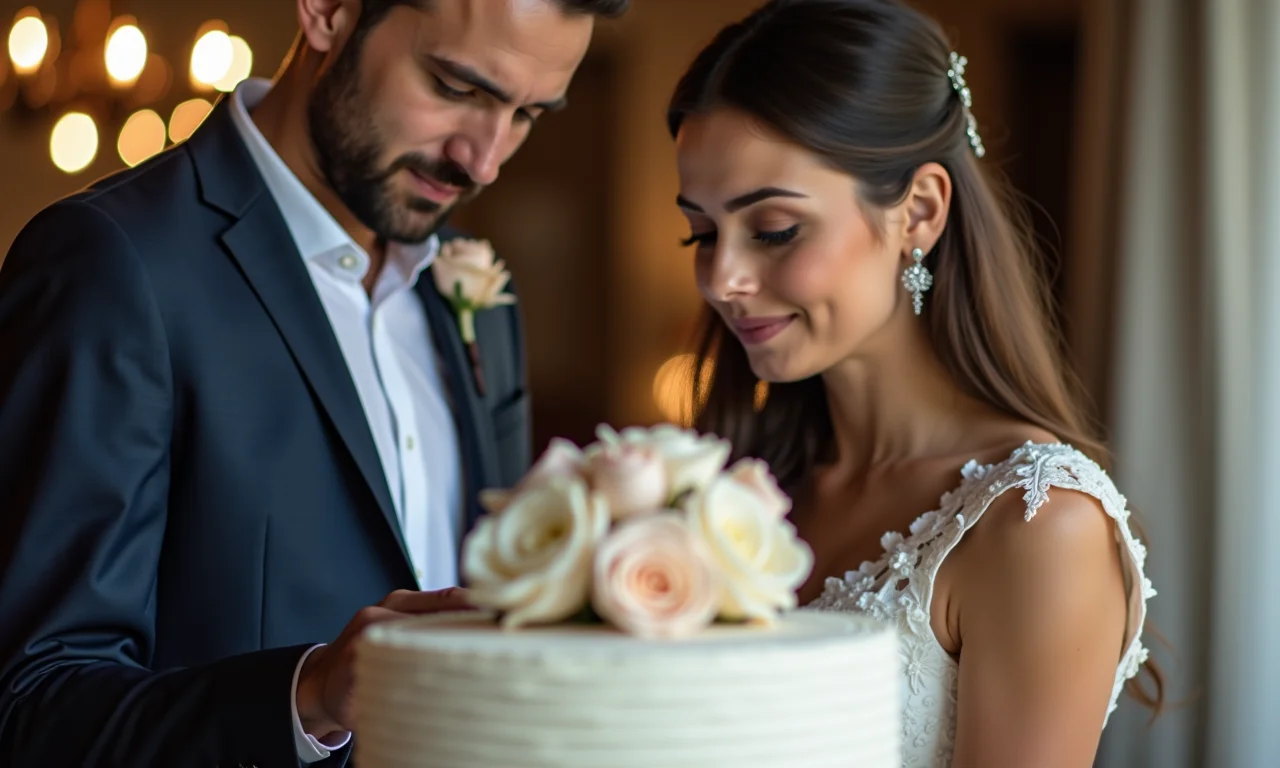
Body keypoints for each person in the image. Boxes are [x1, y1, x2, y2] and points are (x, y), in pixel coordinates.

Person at [0, 0, 627, 765]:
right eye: (457, 88)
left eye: (528, 114)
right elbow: (34, 704)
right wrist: (307, 696)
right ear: (329, 13)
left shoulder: (477, 294)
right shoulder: (113, 263)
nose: (485, 159)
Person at [667, 0, 1164, 764]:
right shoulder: (737, 488)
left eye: (772, 230)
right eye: (701, 233)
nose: (722, 278)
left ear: (920, 212)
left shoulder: (1035, 523)